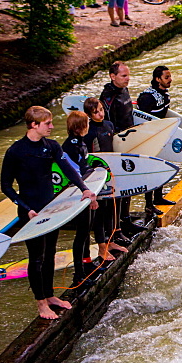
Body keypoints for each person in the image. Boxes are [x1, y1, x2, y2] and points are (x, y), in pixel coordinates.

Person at [0, 106, 97, 320]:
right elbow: (5, 186)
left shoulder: (51, 146)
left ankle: (50, 295)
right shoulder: (16, 151)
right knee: (36, 258)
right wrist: (26, 208)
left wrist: (85, 189)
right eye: (47, 124)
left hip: (50, 208)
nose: (52, 127)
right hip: (30, 210)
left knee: (50, 252)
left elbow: (68, 169)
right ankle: (41, 303)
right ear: (34, 125)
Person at [99, 61, 144, 236]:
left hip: (129, 141)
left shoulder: (124, 90)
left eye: (128, 75)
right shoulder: (108, 97)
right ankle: (115, 228)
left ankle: (125, 220)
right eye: (124, 76)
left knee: (130, 182)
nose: (128, 79)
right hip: (116, 145)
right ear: (113, 76)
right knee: (119, 185)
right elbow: (106, 124)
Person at [82, 97, 128, 260]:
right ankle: (101, 246)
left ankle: (111, 239)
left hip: (111, 172)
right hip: (97, 176)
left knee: (111, 207)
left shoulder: (109, 125)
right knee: (100, 212)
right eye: (95, 112)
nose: (100, 114)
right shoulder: (89, 132)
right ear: (88, 115)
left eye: (101, 110)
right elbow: (88, 157)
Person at [61, 111, 99, 282]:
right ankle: (78, 272)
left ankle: (87, 261)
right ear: (82, 127)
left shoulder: (81, 143)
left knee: (88, 227)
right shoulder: (71, 145)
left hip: (87, 187)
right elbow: (76, 170)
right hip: (78, 191)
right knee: (82, 232)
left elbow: (83, 164)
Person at [136, 66, 177, 209]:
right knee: (151, 169)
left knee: (161, 166)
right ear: (157, 79)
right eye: (166, 77)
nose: (170, 80)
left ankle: (158, 198)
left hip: (161, 136)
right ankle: (148, 204)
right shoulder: (147, 97)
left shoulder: (164, 93)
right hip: (149, 139)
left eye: (170, 76)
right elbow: (142, 120)